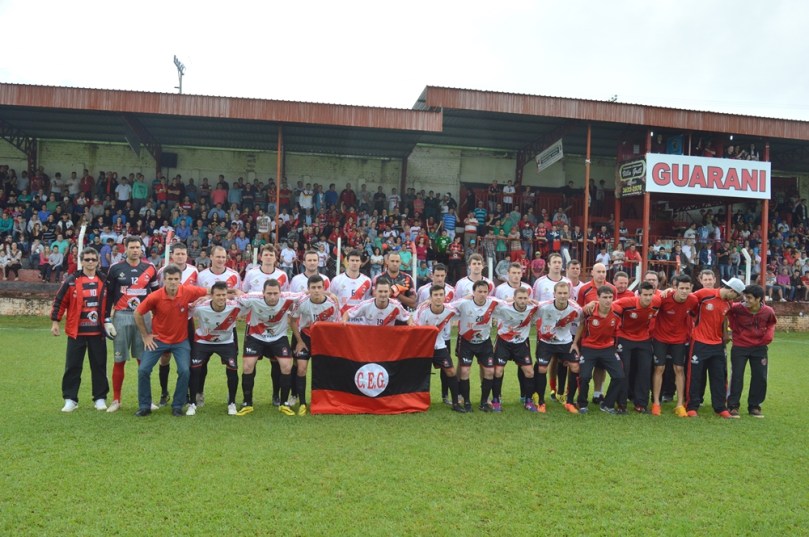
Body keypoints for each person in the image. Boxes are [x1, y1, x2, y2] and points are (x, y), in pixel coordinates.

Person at [133, 264, 209, 416]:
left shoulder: (187, 291)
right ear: (164, 280)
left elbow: (212, 291)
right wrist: (145, 335)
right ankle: (144, 406)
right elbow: (137, 313)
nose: (173, 282)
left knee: (184, 370)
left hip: (180, 341)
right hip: (158, 340)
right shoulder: (155, 296)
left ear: (180, 280)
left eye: (176, 279)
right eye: (170, 279)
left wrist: (204, 298)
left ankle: (177, 405)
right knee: (143, 370)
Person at [50, 247, 110, 412]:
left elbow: (113, 301)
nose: (90, 262)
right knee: (73, 366)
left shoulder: (105, 280)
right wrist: (55, 321)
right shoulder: (71, 280)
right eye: (87, 259)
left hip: (98, 333)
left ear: (98, 262)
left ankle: (99, 398)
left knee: (99, 365)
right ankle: (70, 399)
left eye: (93, 259)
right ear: (82, 261)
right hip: (76, 332)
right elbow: (60, 301)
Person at [104, 236, 159, 413]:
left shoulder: (150, 268)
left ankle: (146, 400)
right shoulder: (115, 268)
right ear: (125, 249)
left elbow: (157, 295)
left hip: (143, 317)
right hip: (121, 316)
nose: (135, 250)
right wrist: (106, 318)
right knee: (119, 359)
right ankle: (116, 400)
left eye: (138, 247)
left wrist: (157, 318)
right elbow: (108, 296)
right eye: (132, 247)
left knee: (143, 361)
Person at [235, 279, 302, 416]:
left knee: (286, 366)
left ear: (280, 293)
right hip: (256, 336)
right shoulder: (253, 298)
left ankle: (284, 403)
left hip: (278, 337)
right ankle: (247, 403)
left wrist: (329, 294)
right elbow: (235, 294)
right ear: (263, 293)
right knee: (248, 366)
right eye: (269, 293)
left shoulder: (288, 297)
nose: (272, 297)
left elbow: (307, 294)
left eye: (275, 293)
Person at [685, 277, 745, 418]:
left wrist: (725, 334)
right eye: (736, 296)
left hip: (717, 344)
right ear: (731, 291)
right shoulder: (705, 293)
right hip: (699, 342)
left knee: (719, 376)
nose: (736, 299)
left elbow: (724, 318)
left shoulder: (729, 303)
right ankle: (692, 406)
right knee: (695, 376)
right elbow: (688, 300)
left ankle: (720, 407)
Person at [600, 281, 660, 413]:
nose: (648, 298)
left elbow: (668, 296)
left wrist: (668, 291)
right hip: (625, 338)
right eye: (645, 295)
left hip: (643, 339)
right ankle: (621, 404)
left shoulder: (656, 302)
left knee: (645, 371)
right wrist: (593, 304)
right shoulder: (627, 303)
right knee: (624, 370)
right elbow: (608, 305)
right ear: (639, 295)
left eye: (650, 294)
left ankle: (641, 404)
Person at [186, 281, 243, 416]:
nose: (221, 298)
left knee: (233, 370)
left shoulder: (234, 305)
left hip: (226, 342)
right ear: (211, 295)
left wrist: (237, 293)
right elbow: (183, 309)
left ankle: (232, 403)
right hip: (203, 342)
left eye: (224, 295)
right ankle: (192, 403)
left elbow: (250, 298)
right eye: (218, 295)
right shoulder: (200, 307)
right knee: (194, 370)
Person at [195, 245, 242, 407]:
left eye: (223, 257)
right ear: (211, 257)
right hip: (207, 325)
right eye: (218, 257)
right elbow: (198, 295)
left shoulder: (234, 275)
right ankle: (199, 393)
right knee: (201, 364)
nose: (221, 260)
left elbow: (238, 296)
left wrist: (217, 295)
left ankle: (231, 398)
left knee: (232, 364)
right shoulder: (201, 275)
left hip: (228, 325)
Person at [155, 243, 200, 406]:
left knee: (186, 359)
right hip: (167, 321)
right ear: (172, 255)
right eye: (178, 253)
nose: (180, 256)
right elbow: (158, 294)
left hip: (186, 320)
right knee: (165, 357)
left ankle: (186, 394)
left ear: (187, 255)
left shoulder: (194, 271)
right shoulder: (162, 271)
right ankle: (164, 392)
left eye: (183, 253)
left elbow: (198, 292)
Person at [290, 275, 340, 415]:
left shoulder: (332, 303)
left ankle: (326, 401)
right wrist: (299, 341)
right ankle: (302, 403)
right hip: (305, 337)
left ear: (324, 289)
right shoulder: (301, 302)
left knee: (325, 371)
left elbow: (336, 325)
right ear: (308, 289)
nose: (316, 291)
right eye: (313, 288)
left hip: (323, 339)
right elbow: (293, 321)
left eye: (319, 287)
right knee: (301, 368)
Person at [452, 280, 505, 412]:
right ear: (473, 292)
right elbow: (447, 306)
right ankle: (467, 402)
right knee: (464, 371)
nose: (482, 294)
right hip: (466, 342)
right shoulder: (464, 303)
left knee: (489, 371)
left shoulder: (493, 302)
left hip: (484, 342)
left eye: (485, 292)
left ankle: (483, 402)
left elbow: (510, 304)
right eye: (479, 291)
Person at [571, 285, 624, 414]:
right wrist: (574, 343)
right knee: (584, 376)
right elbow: (581, 323)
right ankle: (582, 403)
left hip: (608, 348)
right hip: (589, 348)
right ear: (598, 298)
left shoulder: (617, 311)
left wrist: (617, 347)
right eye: (604, 297)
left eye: (610, 297)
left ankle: (607, 404)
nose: (608, 300)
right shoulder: (589, 310)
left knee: (619, 376)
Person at [727, 284, 776, 418]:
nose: (745, 300)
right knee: (737, 375)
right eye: (744, 297)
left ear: (759, 299)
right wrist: (733, 327)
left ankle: (754, 406)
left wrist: (769, 335)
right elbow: (726, 313)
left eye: (749, 298)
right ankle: (733, 406)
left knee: (760, 376)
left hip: (759, 348)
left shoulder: (768, 311)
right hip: (740, 346)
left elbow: (771, 323)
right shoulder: (737, 308)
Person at [651, 274, 697, 417]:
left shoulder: (693, 300)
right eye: (681, 288)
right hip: (660, 337)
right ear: (675, 288)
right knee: (660, 368)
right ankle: (656, 403)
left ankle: (680, 404)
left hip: (679, 339)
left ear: (691, 288)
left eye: (687, 288)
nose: (684, 291)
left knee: (679, 368)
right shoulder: (664, 298)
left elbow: (696, 314)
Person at [413, 285, 464, 413]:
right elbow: (415, 328)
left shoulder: (450, 309)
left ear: (444, 296)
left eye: (441, 295)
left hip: (440, 345)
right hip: (423, 347)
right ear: (430, 297)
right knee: (419, 375)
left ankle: (456, 404)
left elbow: (464, 307)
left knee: (451, 372)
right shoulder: (422, 310)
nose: (438, 297)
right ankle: (416, 403)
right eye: (435, 295)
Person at [534, 281, 583, 413]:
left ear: (569, 294)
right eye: (559, 293)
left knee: (575, 366)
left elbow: (581, 323)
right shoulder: (543, 307)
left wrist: (574, 343)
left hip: (565, 342)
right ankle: (541, 402)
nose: (562, 296)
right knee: (542, 369)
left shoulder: (575, 308)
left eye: (565, 293)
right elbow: (531, 316)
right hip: (546, 342)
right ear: (554, 294)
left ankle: (570, 402)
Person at [492, 286, 539, 412]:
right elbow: (489, 303)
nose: (522, 301)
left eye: (525, 298)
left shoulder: (533, 308)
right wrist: (504, 300)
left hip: (521, 343)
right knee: (498, 371)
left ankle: (528, 401)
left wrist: (536, 302)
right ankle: (496, 400)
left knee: (529, 372)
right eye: (520, 298)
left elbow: (547, 306)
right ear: (514, 299)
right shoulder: (504, 307)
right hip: (503, 342)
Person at [344, 277, 413, 326]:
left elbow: (409, 317)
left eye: (385, 291)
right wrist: (344, 322)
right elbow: (347, 313)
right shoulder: (366, 305)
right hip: (370, 340)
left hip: (387, 341)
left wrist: (410, 324)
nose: (383, 294)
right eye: (380, 291)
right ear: (375, 292)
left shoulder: (396, 306)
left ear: (389, 292)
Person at [331, 249, 373, 317]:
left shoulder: (367, 281)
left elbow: (367, 302)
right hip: (342, 321)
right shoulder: (336, 280)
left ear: (361, 262)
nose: (355, 263)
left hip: (360, 322)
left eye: (357, 261)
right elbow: (332, 301)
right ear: (347, 261)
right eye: (352, 260)